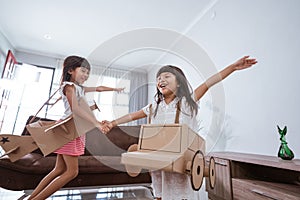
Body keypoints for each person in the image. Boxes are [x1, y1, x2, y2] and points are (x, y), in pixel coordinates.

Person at [102, 56, 257, 200]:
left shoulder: (187, 102)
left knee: (180, 190)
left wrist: (233, 67)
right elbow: (133, 115)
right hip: (159, 160)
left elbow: (208, 83)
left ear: (179, 82)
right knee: (159, 190)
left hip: (180, 159)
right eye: (159, 78)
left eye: (167, 76)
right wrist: (112, 123)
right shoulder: (155, 106)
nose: (161, 80)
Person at [28, 55, 124, 200]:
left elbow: (98, 88)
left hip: (73, 129)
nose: (86, 75)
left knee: (59, 169)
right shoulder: (69, 86)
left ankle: (32, 198)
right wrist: (96, 123)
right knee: (71, 172)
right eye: (83, 71)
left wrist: (115, 89)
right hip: (70, 129)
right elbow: (76, 109)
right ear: (71, 70)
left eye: (88, 73)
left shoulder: (78, 88)